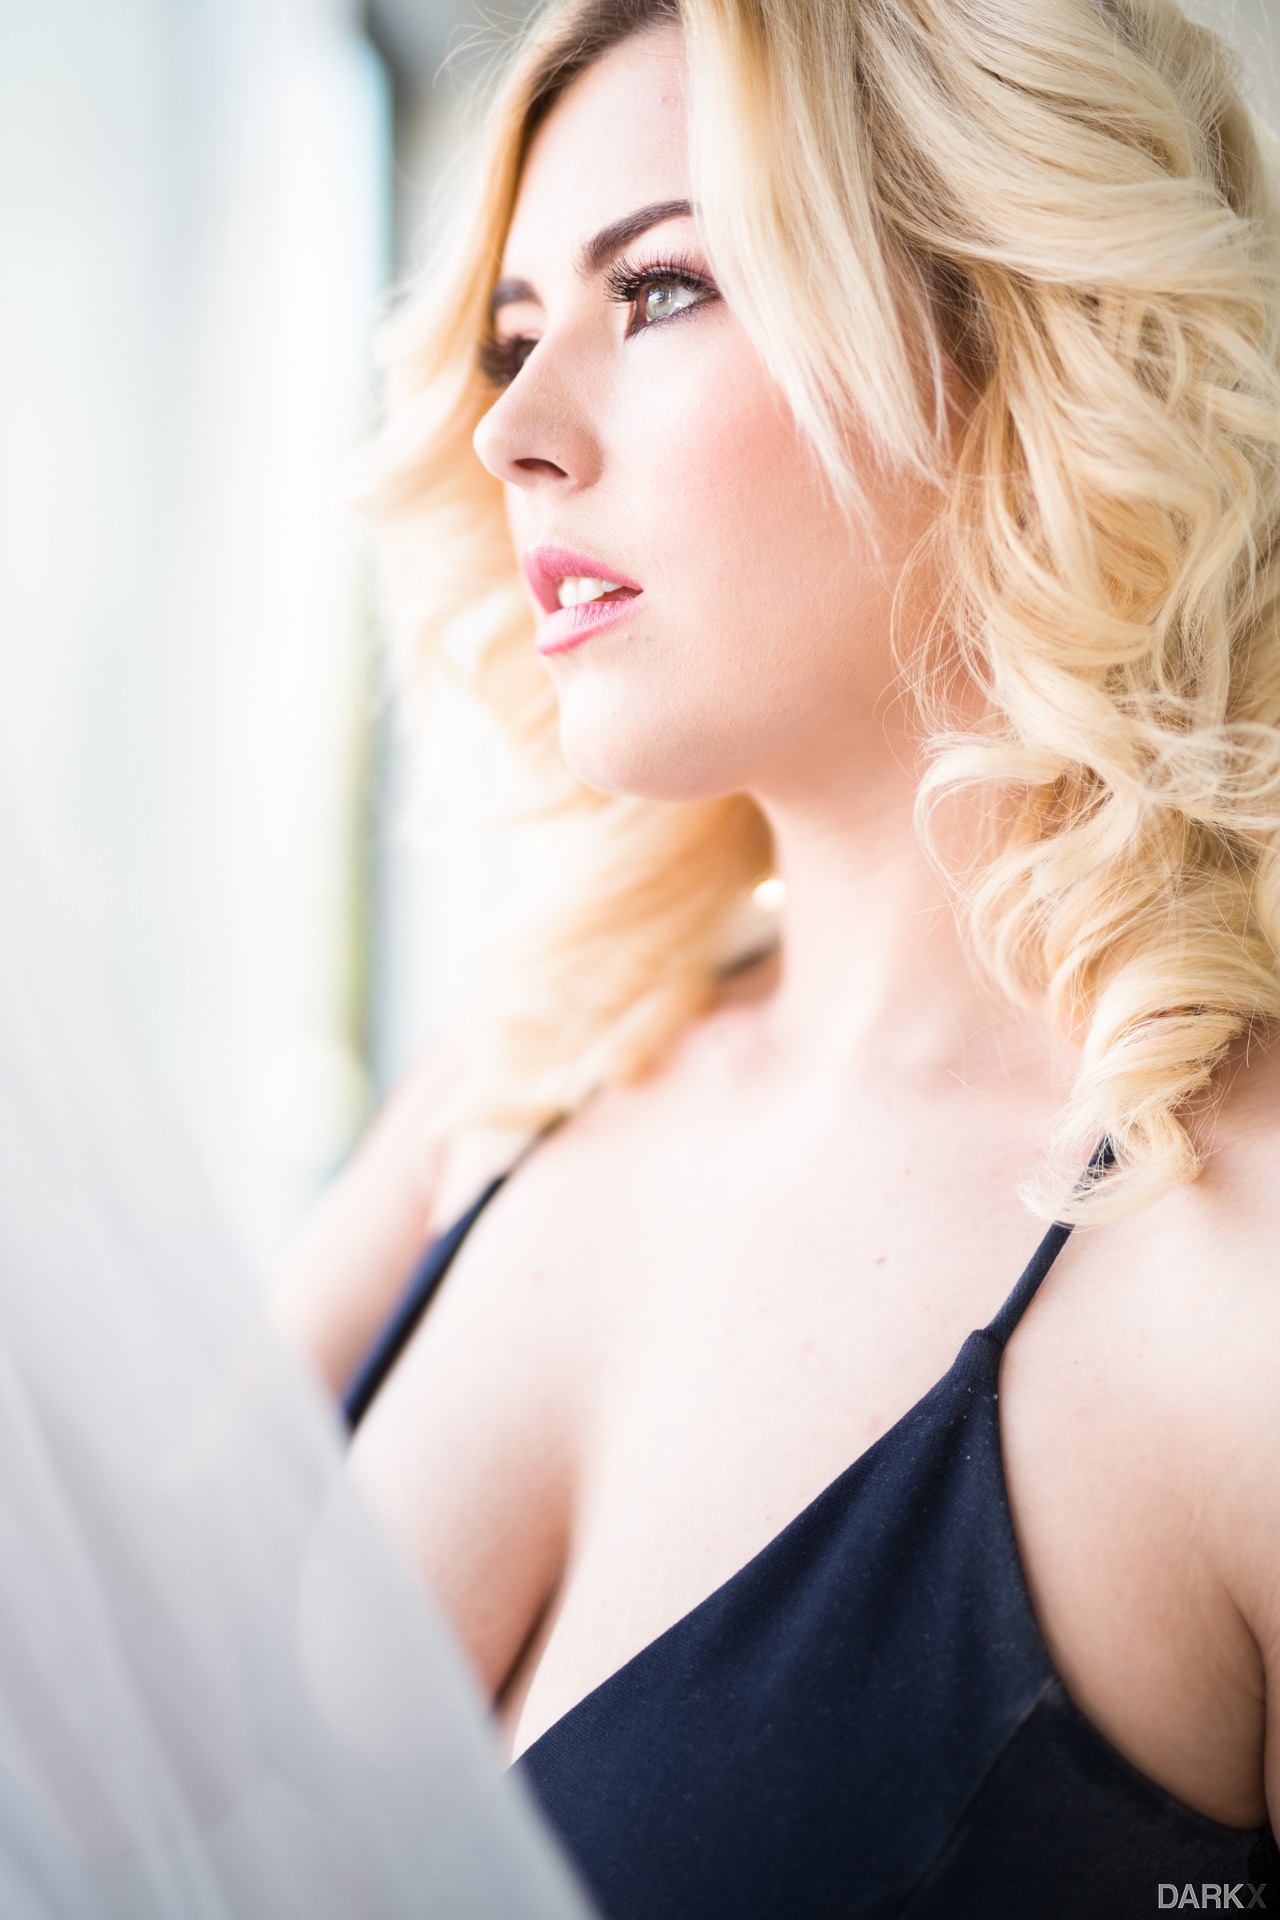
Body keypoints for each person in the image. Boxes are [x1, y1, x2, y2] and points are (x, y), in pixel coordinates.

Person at [268, 0, 1280, 1911]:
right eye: (510, 336)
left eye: (658, 291)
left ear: (1012, 328)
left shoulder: (1234, 1283)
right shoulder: (540, 1064)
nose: (510, 431)